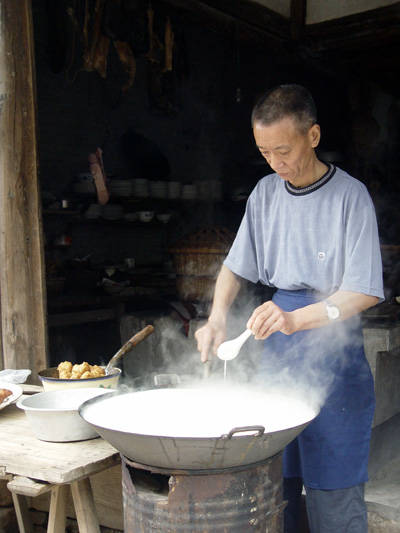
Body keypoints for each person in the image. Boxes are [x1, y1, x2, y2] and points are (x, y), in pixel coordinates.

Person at [195, 84, 384, 532]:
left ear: (312, 136)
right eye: (264, 152)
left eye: (283, 150)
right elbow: (235, 267)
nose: (274, 163)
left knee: (334, 501)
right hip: (278, 360)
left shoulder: (350, 197)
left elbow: (364, 292)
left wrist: (296, 318)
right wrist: (217, 317)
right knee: (274, 493)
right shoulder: (264, 194)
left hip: (333, 359)